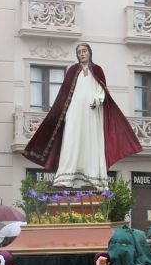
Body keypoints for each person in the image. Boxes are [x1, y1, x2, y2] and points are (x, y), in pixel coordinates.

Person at [23, 43, 142, 188]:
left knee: (90, 142)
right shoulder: (73, 70)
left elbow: (102, 91)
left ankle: (90, 178)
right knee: (71, 140)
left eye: (84, 51)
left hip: (91, 113)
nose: (81, 54)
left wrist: (97, 102)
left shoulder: (97, 70)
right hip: (74, 112)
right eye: (79, 52)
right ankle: (65, 178)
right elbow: (64, 95)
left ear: (90, 53)